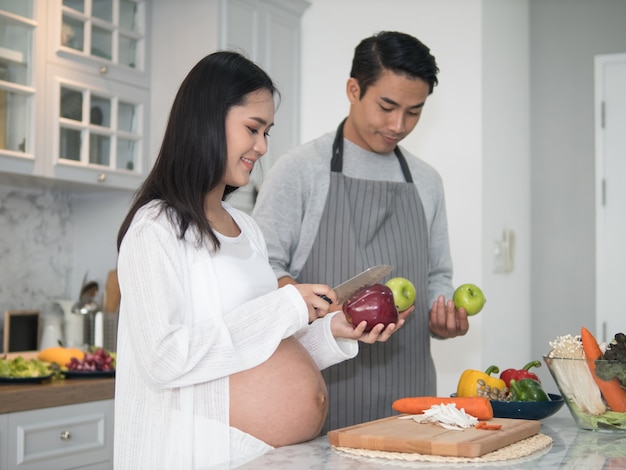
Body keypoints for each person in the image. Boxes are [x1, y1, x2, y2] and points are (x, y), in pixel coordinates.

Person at [113, 51, 403, 469]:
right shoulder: (155, 228)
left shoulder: (246, 229)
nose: (262, 147)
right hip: (197, 457)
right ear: (207, 120)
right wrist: (285, 307)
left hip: (267, 457)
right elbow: (164, 359)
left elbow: (259, 350)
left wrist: (332, 332)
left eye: (267, 132)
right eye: (253, 129)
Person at [252, 31, 470, 433]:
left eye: (414, 111)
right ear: (354, 89)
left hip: (412, 394)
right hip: (321, 390)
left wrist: (442, 318)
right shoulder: (300, 170)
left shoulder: (426, 181)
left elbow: (438, 273)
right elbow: (262, 270)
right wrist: (311, 306)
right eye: (387, 106)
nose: (398, 125)